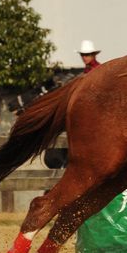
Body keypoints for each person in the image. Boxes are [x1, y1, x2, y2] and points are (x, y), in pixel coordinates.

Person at [43, 40, 103, 170]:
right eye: (83, 55)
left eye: (87, 55)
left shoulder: (96, 71)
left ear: (93, 55)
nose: (84, 57)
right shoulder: (85, 72)